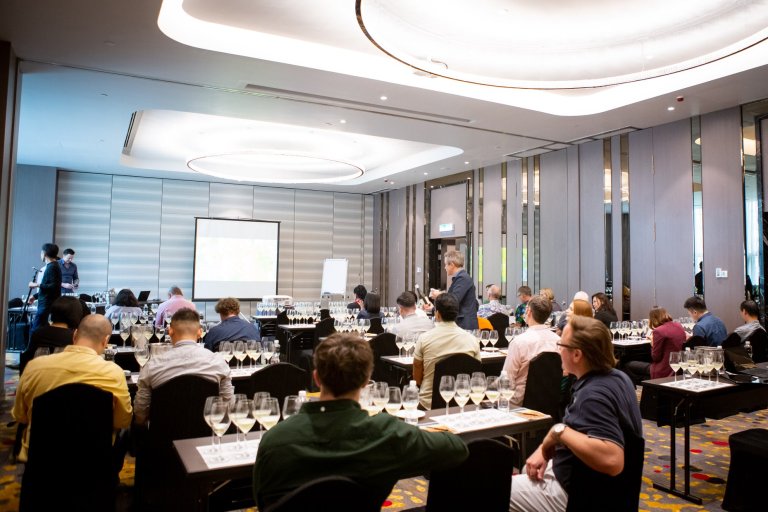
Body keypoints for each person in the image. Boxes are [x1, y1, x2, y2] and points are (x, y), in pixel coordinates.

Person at [252, 332, 468, 509]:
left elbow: (262, 501)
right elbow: (457, 449)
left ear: (316, 378)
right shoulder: (387, 433)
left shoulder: (274, 440)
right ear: (366, 381)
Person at [509, 316, 643, 511]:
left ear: (577, 354)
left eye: (561, 344)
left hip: (575, 492)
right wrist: (547, 444)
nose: (558, 350)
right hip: (605, 490)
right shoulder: (619, 378)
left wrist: (558, 432)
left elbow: (613, 460)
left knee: (486, 490)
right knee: (526, 469)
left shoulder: (592, 396)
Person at [12, 314, 132, 463]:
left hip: (41, 458)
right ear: (106, 341)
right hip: (94, 460)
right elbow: (122, 421)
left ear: (75, 334)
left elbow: (20, 416)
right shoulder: (113, 373)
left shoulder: (34, 366)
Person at [134, 308, 233, 425]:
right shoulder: (218, 362)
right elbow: (228, 405)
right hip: (208, 433)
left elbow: (140, 413)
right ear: (200, 332)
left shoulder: (152, 366)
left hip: (162, 435)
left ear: (170, 331)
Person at [413, 293, 481, 409]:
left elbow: (417, 375)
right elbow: (476, 373)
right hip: (462, 402)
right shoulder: (473, 340)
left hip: (429, 403)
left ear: (437, 314)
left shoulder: (424, 339)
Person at [502, 295, 560, 406]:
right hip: (552, 403)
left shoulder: (519, 342)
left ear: (528, 311)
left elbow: (507, 380)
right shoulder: (559, 341)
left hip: (519, 405)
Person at [20, 296, 87, 374]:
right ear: (76, 315)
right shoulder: (74, 337)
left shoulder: (38, 333)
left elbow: (27, 359)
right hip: (64, 378)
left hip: (37, 376)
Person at [623, 307, 685, 382]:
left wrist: (652, 344)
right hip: (677, 369)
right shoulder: (678, 325)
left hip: (663, 369)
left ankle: (647, 385)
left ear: (653, 318)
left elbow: (655, 357)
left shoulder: (658, 331)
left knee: (626, 365)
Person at [432, 250, 479, 330]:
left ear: (452, 265)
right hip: (464, 323)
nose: (445, 267)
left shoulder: (462, 278)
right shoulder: (460, 278)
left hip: (465, 325)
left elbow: (453, 300)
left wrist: (439, 295)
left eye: (445, 264)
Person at [28, 243, 62, 334]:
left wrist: (36, 284)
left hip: (46, 305)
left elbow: (54, 286)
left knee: (35, 331)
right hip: (45, 304)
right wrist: (35, 296)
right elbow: (48, 287)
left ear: (44, 253)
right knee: (41, 330)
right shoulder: (52, 266)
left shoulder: (52, 267)